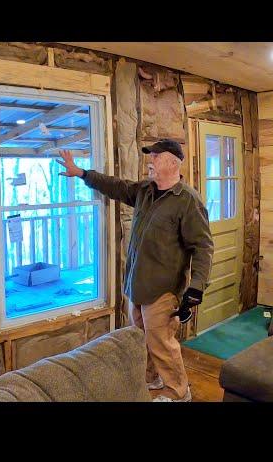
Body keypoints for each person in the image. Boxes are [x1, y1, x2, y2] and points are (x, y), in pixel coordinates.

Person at [57, 139, 214, 402]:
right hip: (137, 284)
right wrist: (83, 173)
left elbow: (203, 246)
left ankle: (179, 391)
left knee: (162, 342)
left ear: (172, 163)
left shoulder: (187, 201)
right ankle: (152, 377)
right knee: (143, 338)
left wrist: (196, 287)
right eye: (150, 157)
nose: (149, 162)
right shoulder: (146, 190)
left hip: (163, 289)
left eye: (155, 157)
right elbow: (116, 187)